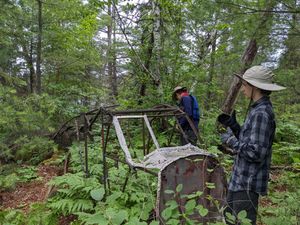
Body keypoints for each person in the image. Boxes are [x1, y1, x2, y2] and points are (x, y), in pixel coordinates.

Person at [217, 66, 286, 225]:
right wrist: (236, 128)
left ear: (255, 86)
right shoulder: (257, 109)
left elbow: (256, 153)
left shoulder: (261, 113)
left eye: (245, 85)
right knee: (229, 219)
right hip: (239, 179)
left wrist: (229, 140)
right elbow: (251, 141)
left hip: (248, 183)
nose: (242, 89)